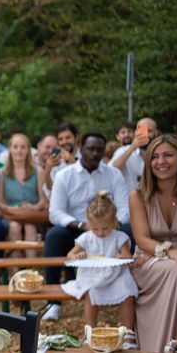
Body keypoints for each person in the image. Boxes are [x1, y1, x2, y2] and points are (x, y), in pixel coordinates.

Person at [43, 132, 131, 321]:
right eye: (90, 149)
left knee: (129, 231)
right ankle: (53, 303)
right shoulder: (64, 175)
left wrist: (110, 225)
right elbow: (55, 212)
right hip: (77, 227)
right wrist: (83, 225)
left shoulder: (113, 174)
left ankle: (127, 290)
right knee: (53, 236)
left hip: (109, 228)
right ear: (80, 148)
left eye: (99, 149)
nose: (95, 153)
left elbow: (125, 209)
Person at [129, 134, 177, 353]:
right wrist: (169, 251)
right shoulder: (138, 196)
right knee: (175, 272)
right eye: (156, 156)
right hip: (150, 259)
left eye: (168, 155)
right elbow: (141, 239)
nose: (161, 162)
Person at [62, 192, 137, 342]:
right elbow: (70, 255)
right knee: (91, 294)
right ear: (89, 224)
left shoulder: (119, 237)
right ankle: (90, 331)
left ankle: (129, 333)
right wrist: (77, 256)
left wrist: (123, 257)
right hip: (92, 274)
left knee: (128, 293)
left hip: (115, 274)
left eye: (105, 228)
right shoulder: (86, 238)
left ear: (114, 223)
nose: (100, 233)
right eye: (96, 229)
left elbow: (127, 256)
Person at [0, 133, 47, 257]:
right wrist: (11, 209)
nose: (19, 150)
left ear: (28, 150)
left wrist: (32, 207)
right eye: (15, 147)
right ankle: (15, 272)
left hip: (32, 214)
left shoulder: (38, 171)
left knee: (30, 226)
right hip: (12, 214)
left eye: (23, 147)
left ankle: (31, 270)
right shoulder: (2, 173)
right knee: (14, 226)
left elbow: (43, 201)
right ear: (10, 149)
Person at [110, 117, 159, 191]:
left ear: (156, 133)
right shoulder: (124, 150)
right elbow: (113, 169)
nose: (145, 134)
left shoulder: (161, 153)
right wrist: (132, 148)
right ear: (136, 132)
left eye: (149, 131)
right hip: (129, 200)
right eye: (142, 131)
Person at [44, 122, 80, 191]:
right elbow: (51, 187)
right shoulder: (57, 159)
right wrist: (47, 169)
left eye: (68, 138)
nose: (64, 142)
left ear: (76, 137)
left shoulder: (85, 155)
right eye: (61, 139)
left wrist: (73, 161)